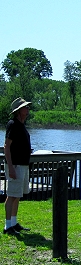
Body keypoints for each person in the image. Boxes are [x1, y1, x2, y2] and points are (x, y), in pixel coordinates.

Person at [3, 97, 32, 235]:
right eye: (26, 107)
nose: (28, 109)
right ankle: (7, 226)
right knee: (11, 195)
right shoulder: (13, 124)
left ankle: (14, 223)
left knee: (18, 195)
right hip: (15, 165)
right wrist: (11, 167)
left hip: (23, 165)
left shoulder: (21, 125)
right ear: (19, 110)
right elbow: (6, 146)